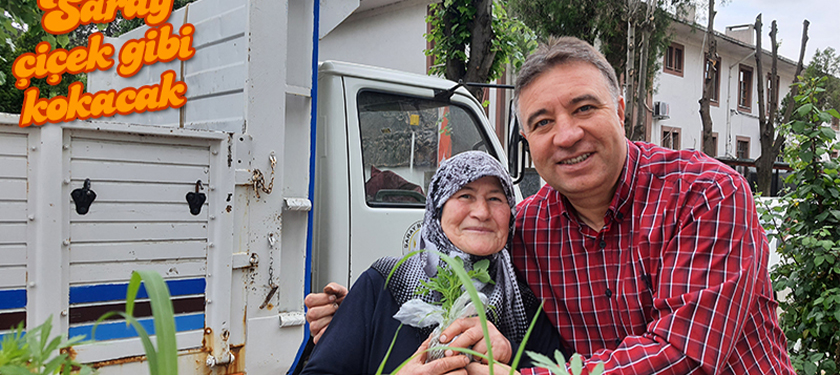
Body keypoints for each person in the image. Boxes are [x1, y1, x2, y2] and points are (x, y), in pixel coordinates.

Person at [307, 37, 794, 375]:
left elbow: (684, 357)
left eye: (584, 108)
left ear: (621, 112)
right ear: (528, 142)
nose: (566, 135)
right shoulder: (532, 228)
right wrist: (364, 316)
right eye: (542, 122)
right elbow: (476, 277)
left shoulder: (706, 193)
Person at [300, 151, 565, 375]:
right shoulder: (384, 283)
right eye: (465, 195)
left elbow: (564, 368)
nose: (482, 212)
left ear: (511, 215)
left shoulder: (522, 298)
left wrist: (511, 353)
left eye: (495, 198)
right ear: (437, 210)